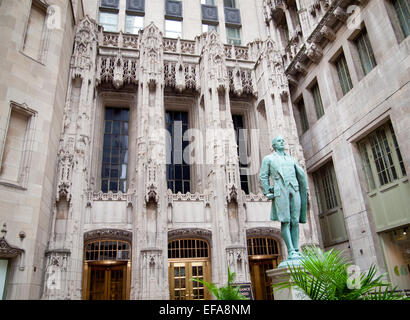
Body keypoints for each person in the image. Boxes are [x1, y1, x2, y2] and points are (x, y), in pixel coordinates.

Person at [259, 136, 307, 261]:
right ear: (274, 145)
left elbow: (301, 175)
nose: (282, 142)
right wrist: (267, 191)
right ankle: (291, 250)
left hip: (294, 189)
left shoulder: (292, 159)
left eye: (283, 141)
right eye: (279, 141)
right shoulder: (269, 159)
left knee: (295, 220)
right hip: (281, 191)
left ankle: (296, 249)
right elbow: (263, 176)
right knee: (285, 221)